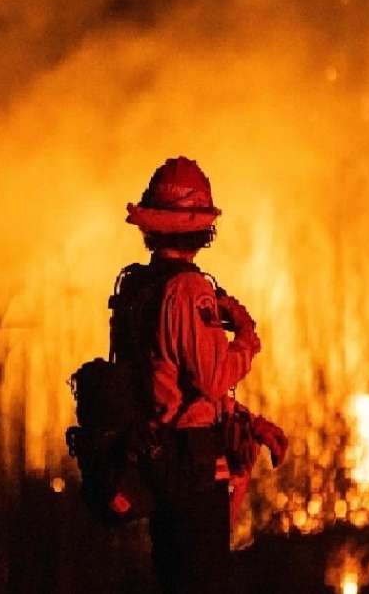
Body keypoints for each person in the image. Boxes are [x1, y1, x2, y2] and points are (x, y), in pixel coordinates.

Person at [109, 156, 286, 594]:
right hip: (192, 474)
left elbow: (168, 381)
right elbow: (210, 379)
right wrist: (245, 338)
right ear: (200, 226)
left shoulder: (138, 287)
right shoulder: (189, 291)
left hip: (161, 464)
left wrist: (249, 423)